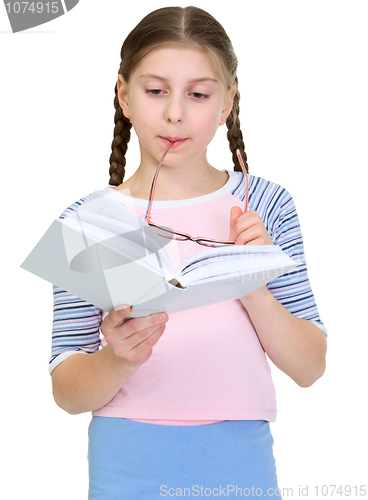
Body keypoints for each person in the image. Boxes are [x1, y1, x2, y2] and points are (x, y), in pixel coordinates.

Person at [50, 6, 327, 499]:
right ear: (124, 95)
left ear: (226, 104)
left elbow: (310, 368)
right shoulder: (90, 220)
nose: (175, 112)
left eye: (198, 94)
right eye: (156, 91)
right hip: (126, 465)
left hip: (239, 465)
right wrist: (119, 358)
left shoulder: (265, 204)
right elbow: (66, 392)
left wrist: (255, 285)